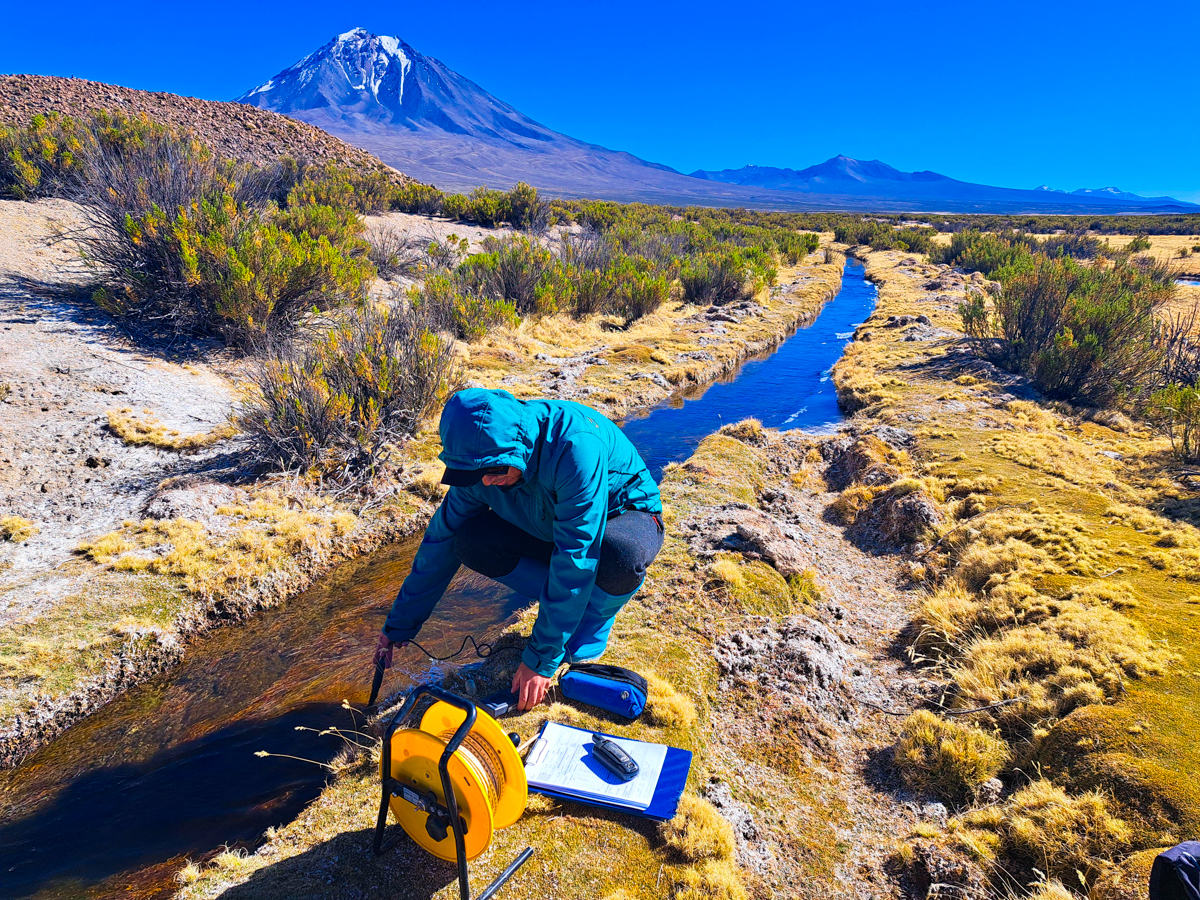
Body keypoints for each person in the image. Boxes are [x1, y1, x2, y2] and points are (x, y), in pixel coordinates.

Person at [374, 388, 664, 710]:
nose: (485, 483)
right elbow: (438, 544)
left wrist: (541, 659)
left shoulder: (574, 447)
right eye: (474, 474)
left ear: (515, 449)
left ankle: (591, 625)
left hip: (621, 514)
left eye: (494, 471)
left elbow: (577, 554)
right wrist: (398, 625)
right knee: (469, 541)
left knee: (619, 556)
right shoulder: (481, 472)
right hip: (548, 522)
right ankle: (564, 612)